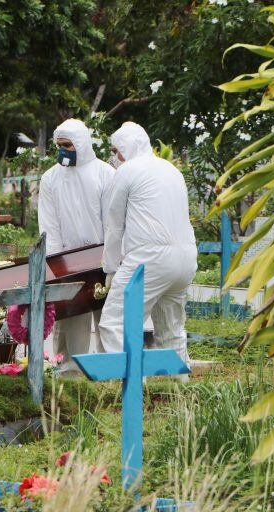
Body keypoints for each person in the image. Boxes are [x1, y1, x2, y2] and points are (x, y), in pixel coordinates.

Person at [99, 122, 196, 370]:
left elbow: (114, 225)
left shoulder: (128, 170)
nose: (114, 157)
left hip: (149, 258)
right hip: (185, 259)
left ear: (125, 148)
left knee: (116, 322)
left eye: (115, 151)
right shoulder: (171, 169)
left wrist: (110, 268)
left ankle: (130, 390)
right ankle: (175, 392)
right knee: (172, 330)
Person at [38, 118, 115, 370]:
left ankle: (108, 372)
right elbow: (49, 224)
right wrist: (56, 265)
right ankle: (68, 372)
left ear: (81, 144)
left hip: (103, 258)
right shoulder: (51, 178)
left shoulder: (105, 173)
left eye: (68, 145)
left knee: (107, 319)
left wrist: (110, 258)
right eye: (59, 145)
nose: (63, 150)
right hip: (67, 261)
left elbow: (112, 220)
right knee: (70, 319)